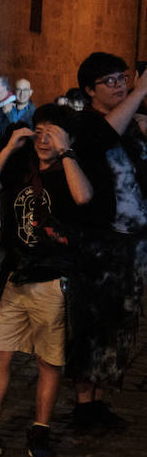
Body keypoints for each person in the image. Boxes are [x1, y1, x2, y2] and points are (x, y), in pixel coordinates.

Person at [0, 105, 92, 457]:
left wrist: (67, 152)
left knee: (49, 358)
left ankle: (40, 430)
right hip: (16, 273)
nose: (44, 139)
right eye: (39, 131)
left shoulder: (71, 167)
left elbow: (83, 197)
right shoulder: (20, 163)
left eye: (53, 132)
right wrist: (10, 147)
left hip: (54, 276)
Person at [64, 53, 147, 431]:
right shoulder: (84, 124)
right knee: (93, 322)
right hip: (99, 244)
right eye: (109, 81)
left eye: (123, 78)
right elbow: (102, 137)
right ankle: (84, 403)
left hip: (132, 242)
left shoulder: (131, 126)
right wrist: (141, 90)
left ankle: (97, 401)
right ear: (89, 90)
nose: (119, 85)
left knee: (118, 323)